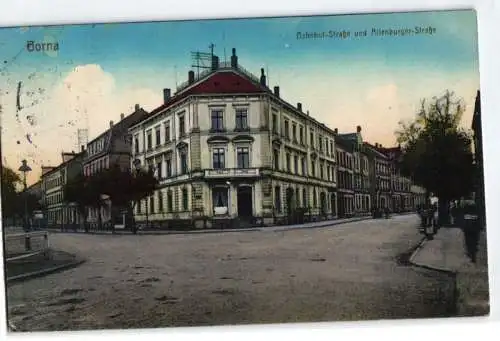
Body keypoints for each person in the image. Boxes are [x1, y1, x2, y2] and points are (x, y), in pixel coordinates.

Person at [459, 199, 481, 263]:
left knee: (469, 242)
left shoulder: (465, 212)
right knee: (474, 242)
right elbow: (479, 221)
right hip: (474, 230)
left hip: (468, 230)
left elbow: (463, 221)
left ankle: (471, 253)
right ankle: (473, 254)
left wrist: (463, 227)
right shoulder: (476, 211)